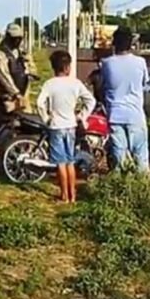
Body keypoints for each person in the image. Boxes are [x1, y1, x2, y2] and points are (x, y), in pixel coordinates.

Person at [36, 50, 96, 203]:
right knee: (70, 162)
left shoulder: (49, 84)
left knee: (61, 163)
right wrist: (82, 115)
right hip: (71, 126)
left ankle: (64, 196)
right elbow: (91, 101)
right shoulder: (75, 83)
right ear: (68, 67)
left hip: (56, 126)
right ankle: (73, 195)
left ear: (53, 67)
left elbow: (39, 103)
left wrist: (46, 118)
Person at [101, 27, 150, 172]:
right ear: (131, 44)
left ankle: (120, 187)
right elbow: (144, 82)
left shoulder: (106, 63)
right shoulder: (140, 62)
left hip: (115, 115)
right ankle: (143, 188)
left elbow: (103, 84)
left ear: (114, 43)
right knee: (141, 157)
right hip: (135, 115)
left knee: (118, 157)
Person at [0, 23, 36, 128]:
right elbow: (3, 75)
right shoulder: (0, 53)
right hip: (8, 96)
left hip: (23, 94)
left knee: (26, 122)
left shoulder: (20, 52)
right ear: (8, 36)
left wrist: (31, 67)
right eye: (15, 38)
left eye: (19, 38)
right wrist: (16, 93)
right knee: (7, 124)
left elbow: (31, 69)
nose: (17, 41)